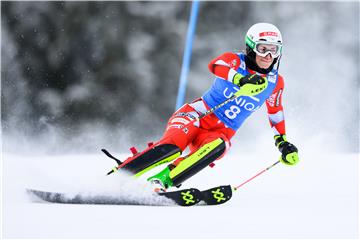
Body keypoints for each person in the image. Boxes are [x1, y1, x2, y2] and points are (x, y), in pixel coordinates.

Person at [117, 22, 299, 191]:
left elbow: (275, 112)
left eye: (274, 51)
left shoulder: (275, 82)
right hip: (196, 115)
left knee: (219, 147)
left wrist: (282, 143)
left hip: (218, 133)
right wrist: (240, 79)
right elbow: (215, 66)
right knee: (172, 148)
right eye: (263, 49)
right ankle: (120, 175)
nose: (268, 56)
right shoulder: (236, 61)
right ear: (251, 47)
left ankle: (161, 181)